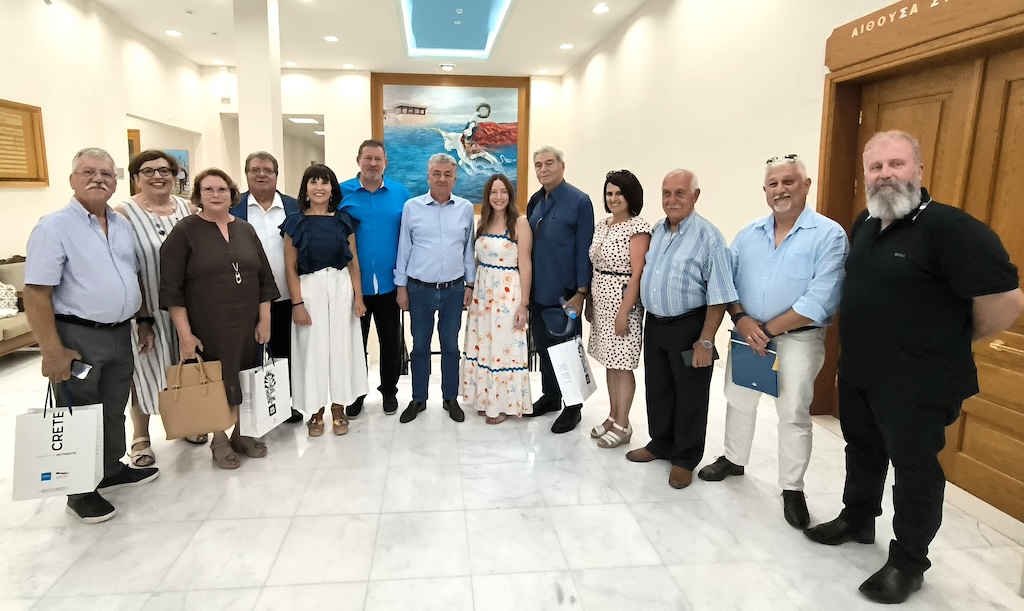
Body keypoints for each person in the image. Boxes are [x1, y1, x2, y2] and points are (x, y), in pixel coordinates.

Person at [804, 131, 1024, 604]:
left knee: (915, 471)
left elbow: (1006, 302)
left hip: (919, 382)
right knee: (862, 450)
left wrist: (952, 339)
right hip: (861, 371)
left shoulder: (952, 229)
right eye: (876, 167)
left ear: (919, 170)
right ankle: (858, 519)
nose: (885, 174)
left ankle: (908, 563)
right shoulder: (866, 222)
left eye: (896, 164)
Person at [697, 154, 848, 528]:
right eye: (773, 184)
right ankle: (734, 459)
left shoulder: (829, 235)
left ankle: (792, 488)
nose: (780, 190)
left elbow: (820, 298)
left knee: (793, 414)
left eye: (789, 182)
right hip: (747, 335)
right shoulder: (749, 233)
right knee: (739, 400)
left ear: (806, 185)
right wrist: (742, 319)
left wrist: (765, 330)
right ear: (765, 190)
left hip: (797, 340)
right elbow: (727, 281)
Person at [24, 147, 159, 523]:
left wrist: (143, 320)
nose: (98, 178)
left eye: (106, 173)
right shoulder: (54, 227)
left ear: (116, 182)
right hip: (78, 337)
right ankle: (79, 490)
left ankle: (110, 468)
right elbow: (36, 293)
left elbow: (132, 276)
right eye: (88, 172)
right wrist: (51, 350)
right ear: (72, 180)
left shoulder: (120, 224)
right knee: (78, 411)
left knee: (113, 405)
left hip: (120, 333)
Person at [160, 168, 280, 469]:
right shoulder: (185, 232)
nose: (216, 195)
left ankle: (241, 433)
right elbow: (172, 289)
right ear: (198, 195)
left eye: (222, 189)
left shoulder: (245, 229)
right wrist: (185, 335)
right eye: (208, 190)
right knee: (214, 380)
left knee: (246, 376)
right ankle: (219, 438)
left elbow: (265, 278)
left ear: (232, 194)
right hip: (206, 323)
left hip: (247, 322)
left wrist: (265, 319)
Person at [626, 169, 737, 489]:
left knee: (691, 395)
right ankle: (661, 443)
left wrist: (706, 340)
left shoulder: (709, 237)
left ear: (695, 196)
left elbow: (720, 294)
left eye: (680, 193)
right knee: (658, 388)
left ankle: (686, 457)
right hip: (656, 325)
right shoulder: (657, 231)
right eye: (666, 193)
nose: (672, 200)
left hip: (691, 327)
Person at [116, 150, 204, 467]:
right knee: (143, 370)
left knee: (183, 365)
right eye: (148, 171)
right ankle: (140, 435)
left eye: (165, 170)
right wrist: (143, 319)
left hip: (186, 307)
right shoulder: (123, 214)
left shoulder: (187, 209)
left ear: (175, 175)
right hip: (147, 307)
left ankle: (185, 422)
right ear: (136, 177)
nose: (158, 176)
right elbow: (126, 267)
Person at [281, 164, 369, 436]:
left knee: (342, 348)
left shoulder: (343, 220)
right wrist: (297, 304)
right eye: (313, 182)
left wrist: (358, 297)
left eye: (325, 182)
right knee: (313, 350)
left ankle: (339, 408)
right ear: (305, 188)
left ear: (333, 189)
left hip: (341, 287)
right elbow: (290, 267)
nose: (319, 187)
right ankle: (315, 411)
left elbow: (353, 261)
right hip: (310, 289)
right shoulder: (295, 222)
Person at [394, 153, 476, 424]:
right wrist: (401, 287)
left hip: (454, 290)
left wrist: (470, 284)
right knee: (420, 346)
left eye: (448, 174)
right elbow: (404, 249)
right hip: (420, 290)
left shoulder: (465, 208)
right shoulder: (412, 207)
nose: (442, 179)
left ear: (455, 178)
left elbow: (468, 250)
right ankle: (418, 398)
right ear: (428, 176)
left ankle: (450, 397)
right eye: (437, 174)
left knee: (451, 346)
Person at [525, 145, 595, 434]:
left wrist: (581, 292)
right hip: (538, 290)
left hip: (565, 293)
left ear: (562, 166)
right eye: (538, 165)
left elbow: (584, 249)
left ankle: (573, 406)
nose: (543, 169)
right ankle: (551, 396)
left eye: (549, 163)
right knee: (543, 346)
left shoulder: (579, 201)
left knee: (567, 349)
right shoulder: (535, 201)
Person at [339, 139, 411, 418]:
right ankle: (357, 394)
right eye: (367, 158)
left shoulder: (400, 193)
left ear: (385, 163)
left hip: (390, 283)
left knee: (391, 341)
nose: (372, 163)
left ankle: (389, 390)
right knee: (355, 343)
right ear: (358, 160)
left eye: (377, 159)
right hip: (354, 285)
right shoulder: (342, 193)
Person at [229, 151, 303, 424]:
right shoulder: (233, 208)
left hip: (286, 294)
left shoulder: (294, 207)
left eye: (267, 170)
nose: (261, 174)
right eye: (255, 170)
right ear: (246, 174)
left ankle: (282, 405)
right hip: (245, 298)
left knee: (284, 353)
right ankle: (249, 411)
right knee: (248, 355)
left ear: (276, 175)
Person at [585, 169, 650, 448]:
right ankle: (613, 415)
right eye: (609, 193)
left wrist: (625, 311)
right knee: (610, 362)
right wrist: (590, 300)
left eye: (619, 193)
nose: (613, 198)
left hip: (623, 302)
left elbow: (637, 274)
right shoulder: (603, 225)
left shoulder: (638, 228)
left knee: (623, 365)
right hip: (601, 298)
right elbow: (595, 265)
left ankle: (623, 425)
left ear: (631, 196)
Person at [461, 174, 533, 424]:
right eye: (494, 192)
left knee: (504, 348)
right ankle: (485, 399)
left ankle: (503, 404)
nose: (498, 197)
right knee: (484, 347)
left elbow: (526, 264)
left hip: (507, 294)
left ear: (510, 195)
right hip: (483, 296)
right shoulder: (483, 221)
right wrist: (471, 287)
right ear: (487, 196)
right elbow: (478, 259)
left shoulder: (520, 223)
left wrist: (523, 304)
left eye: (503, 192)